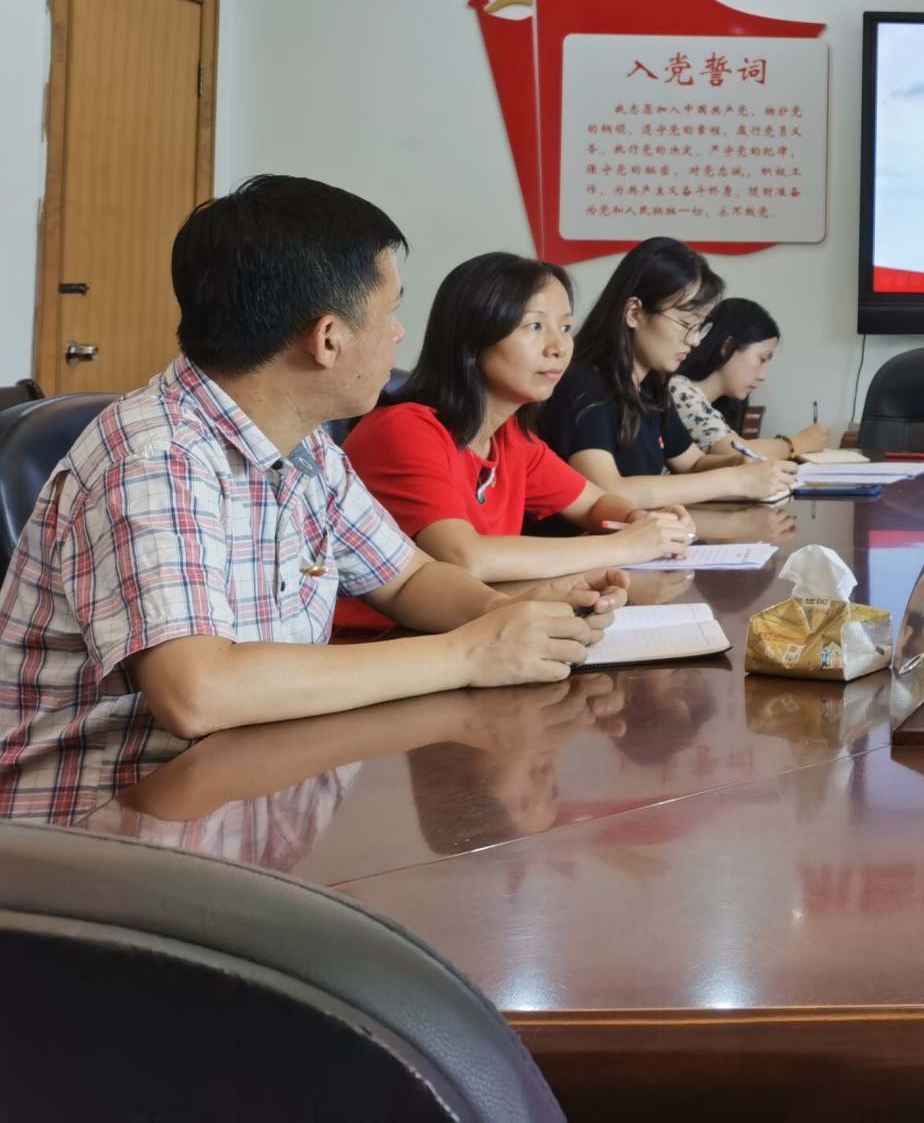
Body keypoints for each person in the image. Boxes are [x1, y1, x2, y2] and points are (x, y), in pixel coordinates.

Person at [0, 176, 624, 825]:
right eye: (389, 312)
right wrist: (471, 652)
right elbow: (197, 692)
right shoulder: (156, 456)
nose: (398, 333)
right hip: (94, 835)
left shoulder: (307, 448)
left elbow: (409, 579)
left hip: (244, 792)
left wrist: (513, 615)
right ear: (328, 338)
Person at [338, 252, 699, 631]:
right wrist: (623, 546)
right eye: (534, 326)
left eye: (566, 327)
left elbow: (594, 503)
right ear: (474, 335)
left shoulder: (510, 437)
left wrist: (640, 520)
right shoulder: (404, 429)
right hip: (378, 643)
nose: (559, 347)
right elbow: (464, 557)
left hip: (472, 629)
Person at [536, 237, 796, 508]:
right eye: (686, 324)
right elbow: (609, 491)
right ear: (634, 313)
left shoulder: (651, 386)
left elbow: (692, 463)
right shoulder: (584, 384)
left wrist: (738, 464)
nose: (695, 341)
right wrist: (734, 481)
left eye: (700, 327)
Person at [668, 297, 828, 466]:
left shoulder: (716, 403)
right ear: (727, 347)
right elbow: (737, 453)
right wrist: (798, 443)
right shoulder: (679, 390)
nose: (763, 375)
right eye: (762, 359)